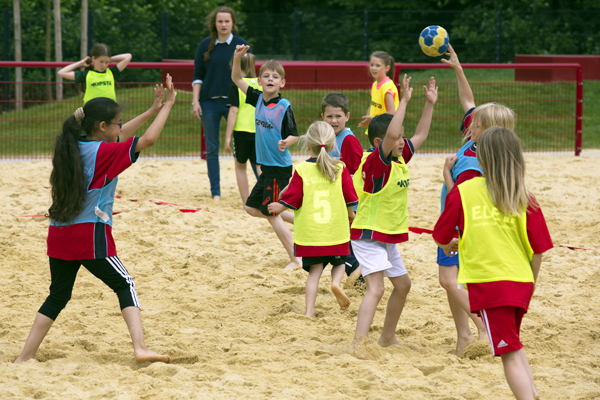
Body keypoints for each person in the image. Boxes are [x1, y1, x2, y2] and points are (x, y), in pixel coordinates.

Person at [14, 75, 178, 365]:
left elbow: (120, 134)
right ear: (102, 126)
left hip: (59, 233)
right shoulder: (104, 152)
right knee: (124, 283)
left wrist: (152, 110)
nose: (120, 128)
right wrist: (168, 106)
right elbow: (148, 140)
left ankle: (25, 356)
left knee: (58, 296)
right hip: (88, 235)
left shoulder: (72, 145)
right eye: (117, 123)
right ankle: (140, 348)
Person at [433, 127, 553, 400]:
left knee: (507, 355)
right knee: (513, 344)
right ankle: (532, 393)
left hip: (491, 285)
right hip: (521, 282)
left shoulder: (464, 191)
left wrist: (448, 245)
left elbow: (439, 236)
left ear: (482, 159)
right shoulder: (523, 194)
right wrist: (531, 284)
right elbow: (539, 251)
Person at [347, 75, 438, 359]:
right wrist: (405, 101)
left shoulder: (398, 158)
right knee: (375, 289)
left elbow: (420, 136)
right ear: (381, 141)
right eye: (399, 137)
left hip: (387, 237)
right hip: (368, 235)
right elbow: (389, 136)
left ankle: (387, 336)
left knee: (403, 285)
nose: (402, 140)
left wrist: (429, 104)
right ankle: (357, 344)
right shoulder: (377, 162)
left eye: (401, 137)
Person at [437, 44, 517, 356]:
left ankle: (486, 327)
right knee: (453, 282)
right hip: (457, 224)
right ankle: (464, 336)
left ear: (488, 131)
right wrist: (457, 68)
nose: (470, 122)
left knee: (449, 281)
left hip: (459, 228)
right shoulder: (481, 143)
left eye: (477, 122)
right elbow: (468, 100)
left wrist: (446, 172)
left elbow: (461, 196)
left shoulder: (472, 161)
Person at [268, 121, 358, 317]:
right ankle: (336, 283)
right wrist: (351, 214)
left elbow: (294, 196)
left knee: (314, 274)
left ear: (308, 145)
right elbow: (350, 196)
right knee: (340, 263)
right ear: (333, 146)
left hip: (311, 234)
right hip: (335, 231)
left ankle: (309, 312)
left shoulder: (301, 169)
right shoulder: (340, 168)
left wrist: (280, 206)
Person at [232, 44, 300, 270]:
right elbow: (236, 78)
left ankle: (296, 258)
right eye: (266, 76)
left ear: (282, 83)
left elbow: (294, 135)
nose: (270, 79)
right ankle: (301, 222)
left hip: (278, 167)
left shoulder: (283, 105)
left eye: (275, 76)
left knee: (271, 211)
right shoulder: (257, 98)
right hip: (267, 167)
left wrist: (286, 142)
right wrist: (237, 58)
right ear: (259, 81)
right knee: (251, 209)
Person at [192, 6, 251, 201]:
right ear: (214, 23)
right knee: (212, 148)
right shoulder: (205, 45)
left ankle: (259, 186)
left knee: (246, 145)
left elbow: (249, 75)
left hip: (236, 104)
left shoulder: (241, 45)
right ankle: (215, 192)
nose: (224, 24)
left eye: (227, 21)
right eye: (220, 21)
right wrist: (195, 100)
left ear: (233, 23)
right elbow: (198, 75)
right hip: (209, 103)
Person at [321, 92, 364, 284]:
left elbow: (358, 173)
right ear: (322, 117)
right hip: (335, 200)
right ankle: (355, 276)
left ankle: (359, 276)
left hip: (349, 202)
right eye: (329, 116)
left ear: (347, 116)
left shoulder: (348, 140)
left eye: (338, 116)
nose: (333, 120)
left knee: (346, 242)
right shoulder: (328, 139)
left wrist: (352, 205)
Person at [225, 52, 262, 208]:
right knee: (260, 166)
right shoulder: (261, 84)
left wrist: (227, 137)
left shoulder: (237, 85)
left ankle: (246, 202)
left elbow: (233, 111)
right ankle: (268, 196)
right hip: (259, 131)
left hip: (241, 131)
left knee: (240, 166)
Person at [58, 43, 131, 104]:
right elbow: (61, 72)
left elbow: (128, 56)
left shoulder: (112, 72)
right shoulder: (86, 74)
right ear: (93, 58)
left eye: (106, 62)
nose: (104, 65)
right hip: (92, 113)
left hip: (109, 112)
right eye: (101, 62)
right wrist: (80, 63)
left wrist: (108, 59)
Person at [358, 51, 399, 131]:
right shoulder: (374, 85)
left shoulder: (387, 86)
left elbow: (391, 112)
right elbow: (372, 104)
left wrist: (373, 119)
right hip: (375, 127)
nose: (373, 68)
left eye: (378, 65)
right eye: (372, 65)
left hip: (385, 129)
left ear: (387, 68)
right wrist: (368, 120)